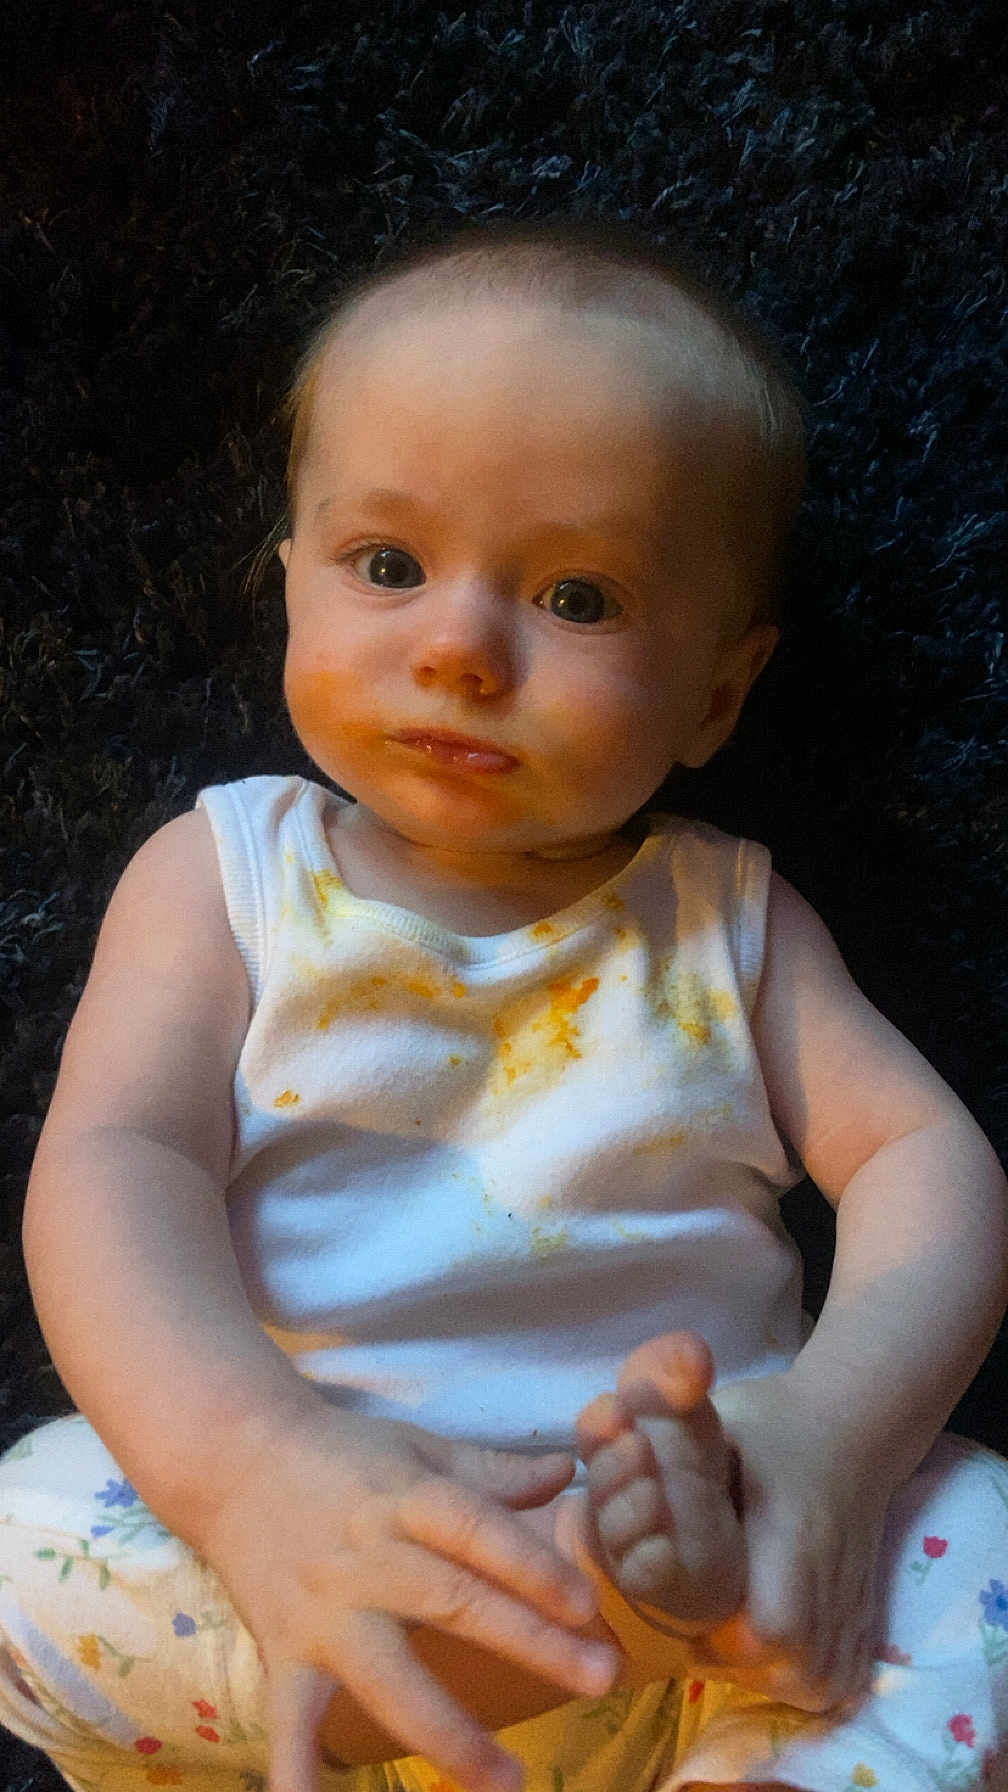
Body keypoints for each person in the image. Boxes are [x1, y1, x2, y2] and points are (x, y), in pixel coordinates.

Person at [1, 215, 1006, 1792]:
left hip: (724, 1585)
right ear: (289, 595)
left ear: (719, 695)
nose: (461, 648)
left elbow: (925, 1166)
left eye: (581, 600)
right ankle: (619, 1617)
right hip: (302, 1572)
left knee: (984, 1555)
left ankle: (665, 1624)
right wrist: (251, 1469)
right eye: (387, 567)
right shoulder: (226, 878)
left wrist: (830, 1446)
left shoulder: (725, 922)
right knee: (25, 1534)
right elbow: (114, 1169)